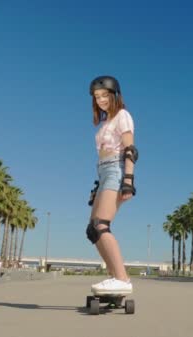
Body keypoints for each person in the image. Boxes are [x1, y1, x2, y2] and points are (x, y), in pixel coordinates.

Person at [86, 75, 138, 294]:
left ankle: (122, 278)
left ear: (114, 95)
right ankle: (114, 275)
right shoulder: (105, 124)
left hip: (117, 169)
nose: (101, 100)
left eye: (105, 95)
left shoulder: (122, 116)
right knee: (92, 230)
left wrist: (128, 179)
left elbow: (130, 150)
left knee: (101, 224)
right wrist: (98, 187)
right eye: (97, 97)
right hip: (104, 172)